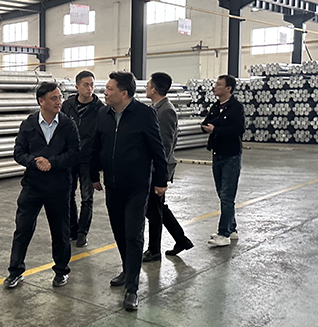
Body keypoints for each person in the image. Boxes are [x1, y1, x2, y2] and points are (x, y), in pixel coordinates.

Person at [90, 72, 168, 311]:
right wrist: (93, 174)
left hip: (137, 186)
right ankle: (127, 269)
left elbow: (157, 149)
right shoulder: (103, 114)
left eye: (110, 89)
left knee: (134, 234)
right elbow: (97, 145)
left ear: (124, 93)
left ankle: (132, 288)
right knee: (119, 231)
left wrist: (161, 180)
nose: (105, 92)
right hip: (112, 185)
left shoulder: (144, 114)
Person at [5, 82, 80, 289]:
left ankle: (61, 271)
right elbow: (18, 152)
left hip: (59, 187)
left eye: (60, 97)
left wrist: (52, 162)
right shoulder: (29, 124)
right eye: (54, 98)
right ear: (41, 101)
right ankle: (15, 271)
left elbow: (75, 153)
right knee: (22, 229)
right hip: (33, 186)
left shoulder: (67, 125)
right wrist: (34, 161)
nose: (59, 102)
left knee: (60, 231)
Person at [142, 72, 193, 261]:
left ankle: (154, 250)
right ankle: (181, 240)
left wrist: (159, 174)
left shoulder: (166, 111)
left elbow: (164, 145)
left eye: (148, 84)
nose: (146, 87)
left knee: (154, 211)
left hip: (158, 169)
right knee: (157, 207)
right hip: (153, 167)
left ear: (154, 89)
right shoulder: (156, 108)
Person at [201, 74, 246, 247]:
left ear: (228, 88)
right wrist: (210, 128)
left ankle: (224, 234)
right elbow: (206, 123)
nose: (215, 87)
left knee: (227, 196)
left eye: (219, 85)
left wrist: (216, 129)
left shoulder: (235, 108)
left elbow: (238, 130)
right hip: (217, 154)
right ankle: (231, 228)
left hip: (231, 156)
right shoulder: (215, 107)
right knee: (222, 194)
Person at [61, 70, 104, 248]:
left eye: (92, 85)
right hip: (70, 158)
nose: (89, 88)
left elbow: (102, 137)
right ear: (77, 86)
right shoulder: (67, 106)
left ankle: (82, 233)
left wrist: (98, 163)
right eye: (86, 85)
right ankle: (73, 229)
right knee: (68, 195)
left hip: (88, 159)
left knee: (87, 198)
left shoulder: (100, 109)